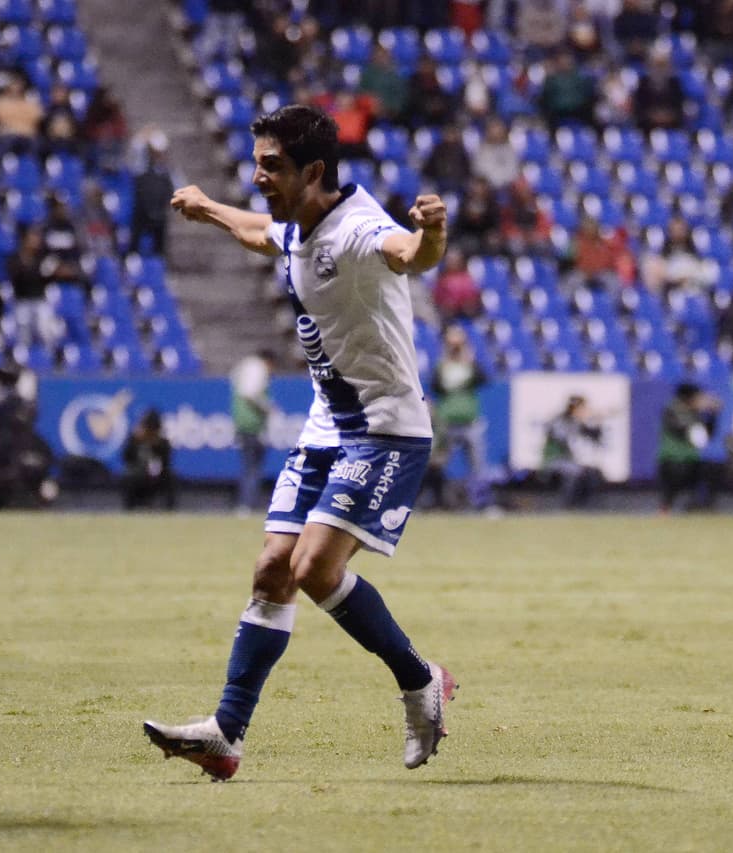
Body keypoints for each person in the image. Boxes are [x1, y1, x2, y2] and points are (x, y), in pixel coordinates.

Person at [145, 104, 456, 781]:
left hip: (385, 428)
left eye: (271, 166)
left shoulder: (359, 229)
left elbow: (409, 253)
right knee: (271, 571)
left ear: (314, 171)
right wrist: (208, 208)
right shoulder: (298, 222)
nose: (258, 176)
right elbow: (266, 233)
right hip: (328, 425)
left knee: (315, 566)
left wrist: (432, 232)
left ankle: (420, 680)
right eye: (257, 163)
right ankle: (226, 734)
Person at [432, 325, 489, 509]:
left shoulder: (469, 365)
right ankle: (439, 501)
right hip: (447, 421)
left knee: (477, 467)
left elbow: (484, 379)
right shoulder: (442, 365)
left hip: (469, 421)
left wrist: (470, 360)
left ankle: (479, 503)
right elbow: (435, 386)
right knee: (438, 463)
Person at [657, 383, 722, 513]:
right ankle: (665, 509)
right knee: (672, 485)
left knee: (713, 470)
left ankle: (700, 506)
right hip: (671, 459)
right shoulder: (672, 409)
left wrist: (713, 415)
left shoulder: (695, 413)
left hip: (691, 459)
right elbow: (686, 432)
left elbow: (706, 436)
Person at [231, 350, 276, 512]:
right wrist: (267, 407)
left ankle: (246, 503)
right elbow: (250, 393)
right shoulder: (258, 369)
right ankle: (248, 504)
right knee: (253, 468)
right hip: (253, 425)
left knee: (248, 466)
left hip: (242, 424)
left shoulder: (243, 367)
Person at [542, 395, 603, 508]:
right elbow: (561, 436)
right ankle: (567, 506)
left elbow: (594, 435)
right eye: (581, 408)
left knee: (591, 472)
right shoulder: (561, 421)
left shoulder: (576, 422)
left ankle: (585, 507)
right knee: (575, 472)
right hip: (552, 460)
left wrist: (597, 420)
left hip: (568, 461)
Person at [121, 409, 177, 510]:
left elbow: (167, 462)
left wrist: (156, 447)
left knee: (171, 478)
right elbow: (126, 458)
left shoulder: (163, 442)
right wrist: (136, 442)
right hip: (139, 475)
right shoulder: (134, 440)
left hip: (158, 476)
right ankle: (129, 509)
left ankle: (170, 510)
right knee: (128, 477)